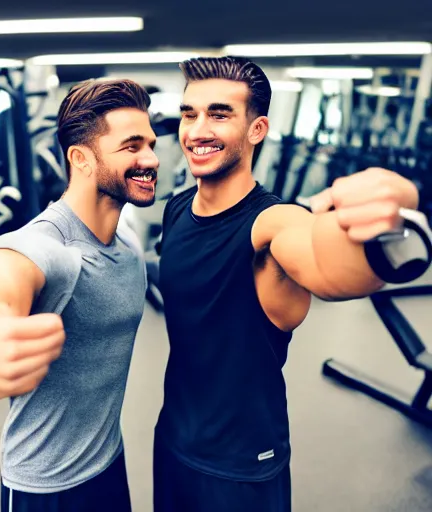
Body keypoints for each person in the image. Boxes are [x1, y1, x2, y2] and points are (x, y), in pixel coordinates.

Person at [153, 56, 424, 512]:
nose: (196, 130)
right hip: (174, 443)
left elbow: (328, 264)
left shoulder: (273, 224)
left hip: (242, 464)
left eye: (219, 114)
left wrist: (397, 214)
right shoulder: (177, 209)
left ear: (256, 129)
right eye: (189, 113)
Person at [0, 78, 159, 512]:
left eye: (150, 143)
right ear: (81, 158)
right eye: (132, 146)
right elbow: (4, 273)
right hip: (45, 486)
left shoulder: (126, 242)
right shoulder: (52, 247)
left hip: (108, 462)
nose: (151, 158)